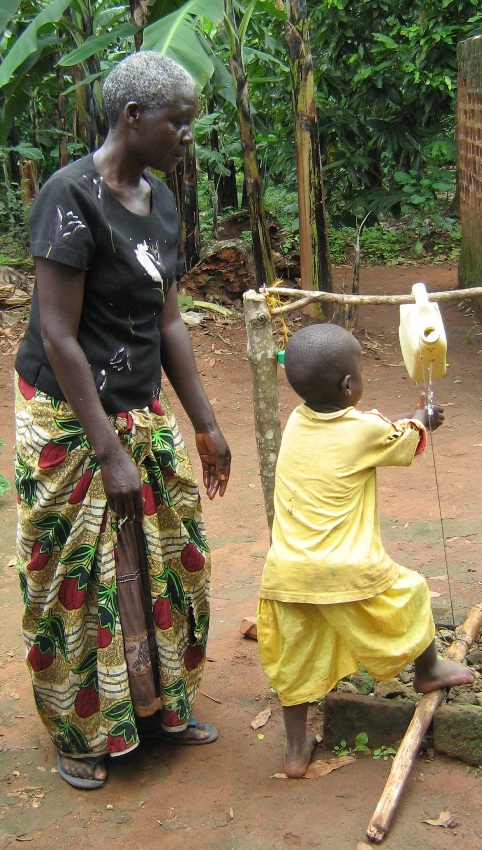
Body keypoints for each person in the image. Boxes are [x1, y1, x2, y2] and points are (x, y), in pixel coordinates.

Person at [14, 51, 231, 790]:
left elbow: (167, 319)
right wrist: (108, 452)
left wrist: (203, 422)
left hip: (140, 409)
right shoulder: (67, 197)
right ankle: (79, 732)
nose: (185, 135)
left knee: (173, 558)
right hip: (70, 421)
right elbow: (59, 336)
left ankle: (161, 706)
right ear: (132, 117)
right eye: (178, 121)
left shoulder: (161, 201)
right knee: (75, 579)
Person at [257, 323, 474, 778]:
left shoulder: (296, 422)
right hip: (347, 571)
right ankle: (429, 668)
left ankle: (296, 751)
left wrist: (403, 418)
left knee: (293, 659)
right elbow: (403, 438)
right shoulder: (365, 430)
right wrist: (422, 418)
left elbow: (364, 430)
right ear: (348, 385)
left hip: (286, 574)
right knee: (411, 592)